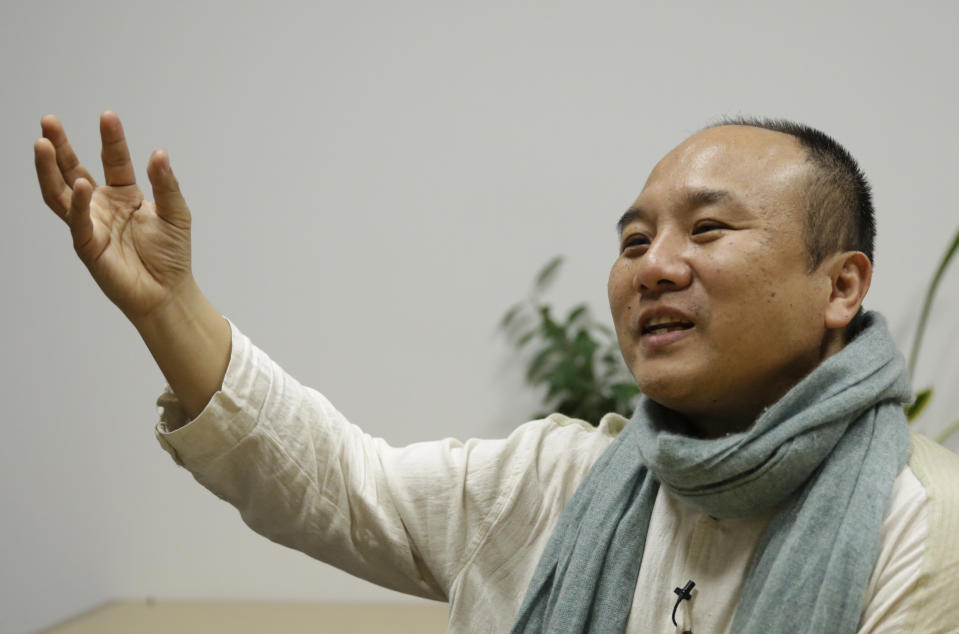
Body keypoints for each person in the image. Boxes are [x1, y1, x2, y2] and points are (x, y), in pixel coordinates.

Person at [34, 112, 959, 633]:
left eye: (707, 230)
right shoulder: (565, 485)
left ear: (841, 286)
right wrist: (168, 307)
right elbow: (340, 483)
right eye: (634, 240)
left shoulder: (921, 524)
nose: (654, 265)